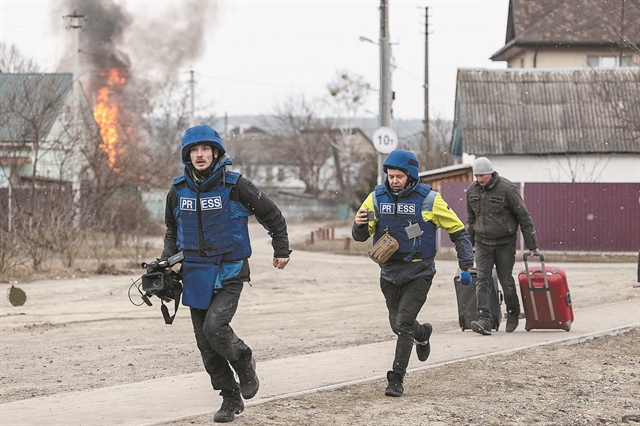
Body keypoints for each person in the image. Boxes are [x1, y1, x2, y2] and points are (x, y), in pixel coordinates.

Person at [159, 124, 291, 423]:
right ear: (187, 156)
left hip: (230, 272)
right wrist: (166, 259)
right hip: (195, 275)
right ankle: (230, 397)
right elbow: (172, 230)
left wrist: (281, 249)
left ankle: (244, 361)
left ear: (216, 153)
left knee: (215, 327)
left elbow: (272, 214)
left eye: (205, 149)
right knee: (206, 345)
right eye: (194, 150)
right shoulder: (178, 190)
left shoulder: (236, 186)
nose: (200, 154)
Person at [352, 149, 474, 397]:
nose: (394, 181)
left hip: (419, 271)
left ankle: (396, 379)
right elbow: (361, 235)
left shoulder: (429, 199)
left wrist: (466, 263)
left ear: (411, 176)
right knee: (397, 325)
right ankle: (423, 334)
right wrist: (359, 224)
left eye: (399, 176)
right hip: (389, 272)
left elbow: (458, 230)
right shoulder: (376, 198)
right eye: (390, 176)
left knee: (403, 323)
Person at [466, 157, 538, 336]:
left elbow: (524, 217)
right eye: (477, 176)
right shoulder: (472, 190)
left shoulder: (507, 189)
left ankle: (513, 311)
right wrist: (467, 246)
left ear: (490, 173)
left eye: (482, 176)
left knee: (505, 280)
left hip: (504, 243)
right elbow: (471, 220)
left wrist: (532, 245)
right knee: (482, 279)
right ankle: (484, 318)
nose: (479, 179)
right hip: (482, 243)